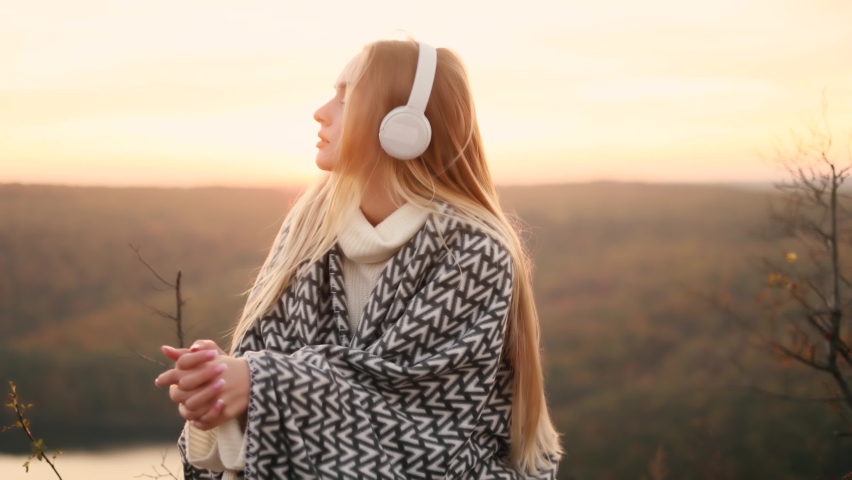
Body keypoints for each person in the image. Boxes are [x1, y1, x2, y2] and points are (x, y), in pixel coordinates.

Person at [154, 37, 562, 479]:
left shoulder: (474, 253)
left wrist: (258, 382)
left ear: (403, 126)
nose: (322, 111)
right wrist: (217, 388)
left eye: (346, 97)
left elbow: (416, 420)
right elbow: (260, 369)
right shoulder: (307, 233)